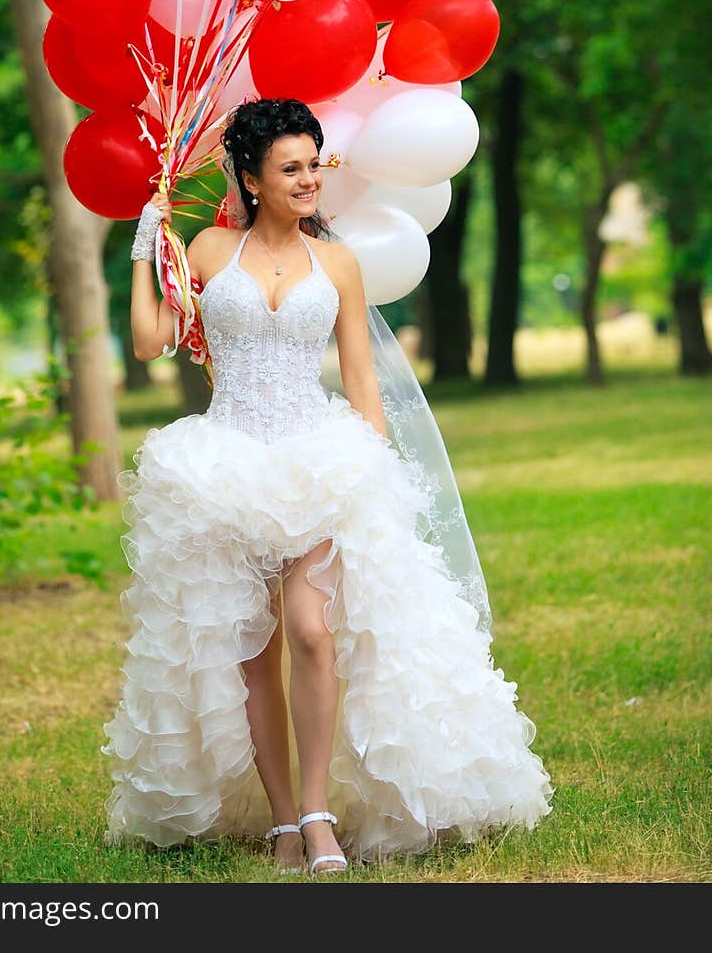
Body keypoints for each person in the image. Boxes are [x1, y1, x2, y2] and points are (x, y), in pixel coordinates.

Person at [102, 97, 553, 876]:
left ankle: (318, 813)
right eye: (291, 167)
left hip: (316, 459)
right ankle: (282, 820)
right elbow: (151, 342)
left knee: (313, 629)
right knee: (251, 650)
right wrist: (148, 249)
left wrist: (369, 477)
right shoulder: (209, 248)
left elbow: (360, 381)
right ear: (250, 176)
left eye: (315, 163)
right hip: (227, 464)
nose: (310, 179)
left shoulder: (337, 263)